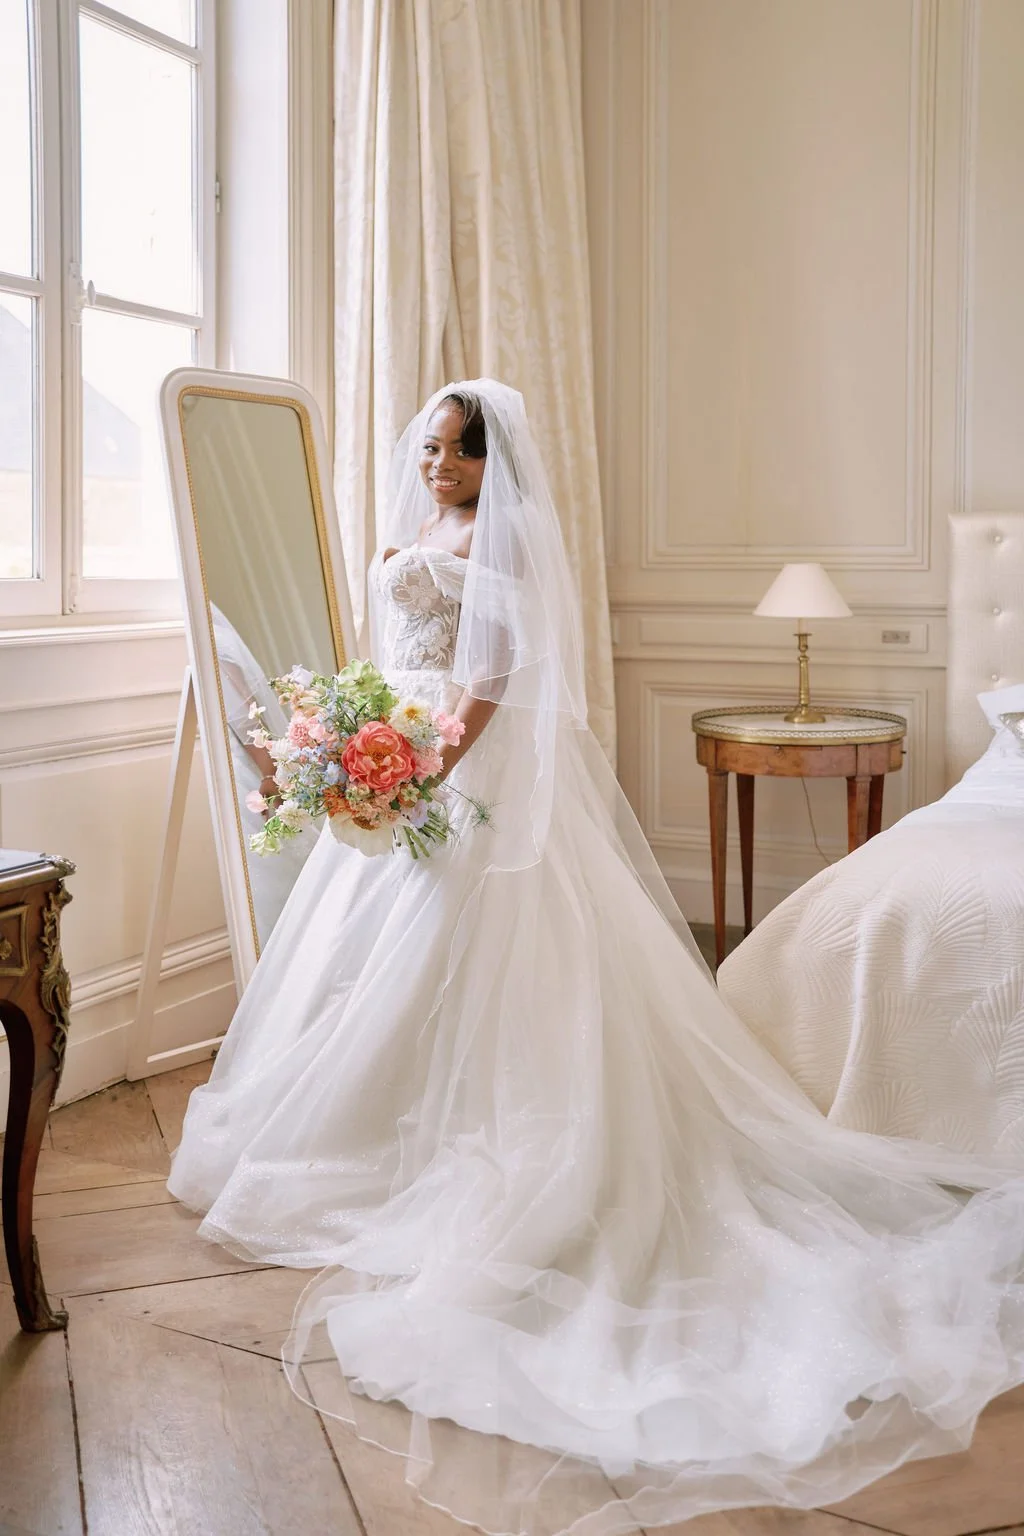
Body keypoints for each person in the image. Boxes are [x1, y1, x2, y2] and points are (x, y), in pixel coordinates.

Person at [169, 380, 1024, 1536]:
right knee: (371, 954)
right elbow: (401, 649)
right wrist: (370, 736)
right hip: (399, 747)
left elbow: (487, 683)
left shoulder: (503, 541)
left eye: (457, 455)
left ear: (495, 464)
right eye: (429, 451)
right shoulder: (422, 523)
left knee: (479, 954)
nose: (436, 468)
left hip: (456, 766)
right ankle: (361, 1124)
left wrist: (427, 768)